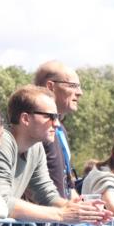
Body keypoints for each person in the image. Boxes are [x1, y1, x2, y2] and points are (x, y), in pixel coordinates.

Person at [0, 86, 110, 225]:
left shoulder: (36, 147)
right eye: (50, 116)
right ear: (25, 119)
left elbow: (47, 195)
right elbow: (1, 201)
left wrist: (80, 209)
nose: (57, 124)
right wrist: (62, 215)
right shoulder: (2, 142)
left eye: (57, 117)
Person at [34, 60, 83, 199]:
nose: (80, 92)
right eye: (73, 86)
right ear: (51, 86)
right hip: (44, 211)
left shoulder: (60, 129)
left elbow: (67, 186)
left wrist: (83, 206)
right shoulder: (34, 128)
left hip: (61, 210)